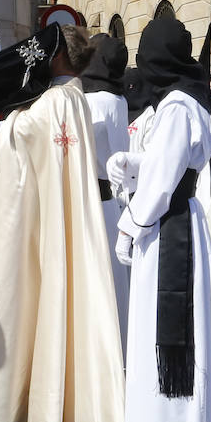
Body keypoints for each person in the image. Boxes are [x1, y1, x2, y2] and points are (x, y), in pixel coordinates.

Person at [0, 25, 127, 422]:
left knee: (41, 299)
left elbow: (6, 141)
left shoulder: (53, 104)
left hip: (52, 221)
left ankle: (47, 414)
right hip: (65, 216)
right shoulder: (71, 97)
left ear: (60, 58)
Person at [109, 17, 211, 422]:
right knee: (190, 327)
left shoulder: (173, 107)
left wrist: (130, 224)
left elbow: (163, 181)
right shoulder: (189, 101)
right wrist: (133, 162)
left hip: (167, 228)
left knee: (165, 324)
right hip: (182, 220)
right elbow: (172, 165)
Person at [79, 32, 132, 345]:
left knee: (98, 281)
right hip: (113, 197)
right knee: (117, 282)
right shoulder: (119, 97)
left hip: (92, 199)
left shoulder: (90, 100)